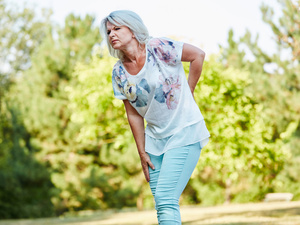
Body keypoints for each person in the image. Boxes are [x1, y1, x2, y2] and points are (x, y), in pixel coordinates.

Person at [101, 10, 210, 225]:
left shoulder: (159, 48)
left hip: (184, 130)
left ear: (132, 29)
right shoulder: (119, 73)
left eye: (117, 28)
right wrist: (142, 152)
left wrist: (189, 91)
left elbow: (198, 55)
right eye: (108, 31)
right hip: (154, 140)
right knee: (162, 204)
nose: (111, 34)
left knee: (166, 198)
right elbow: (132, 114)